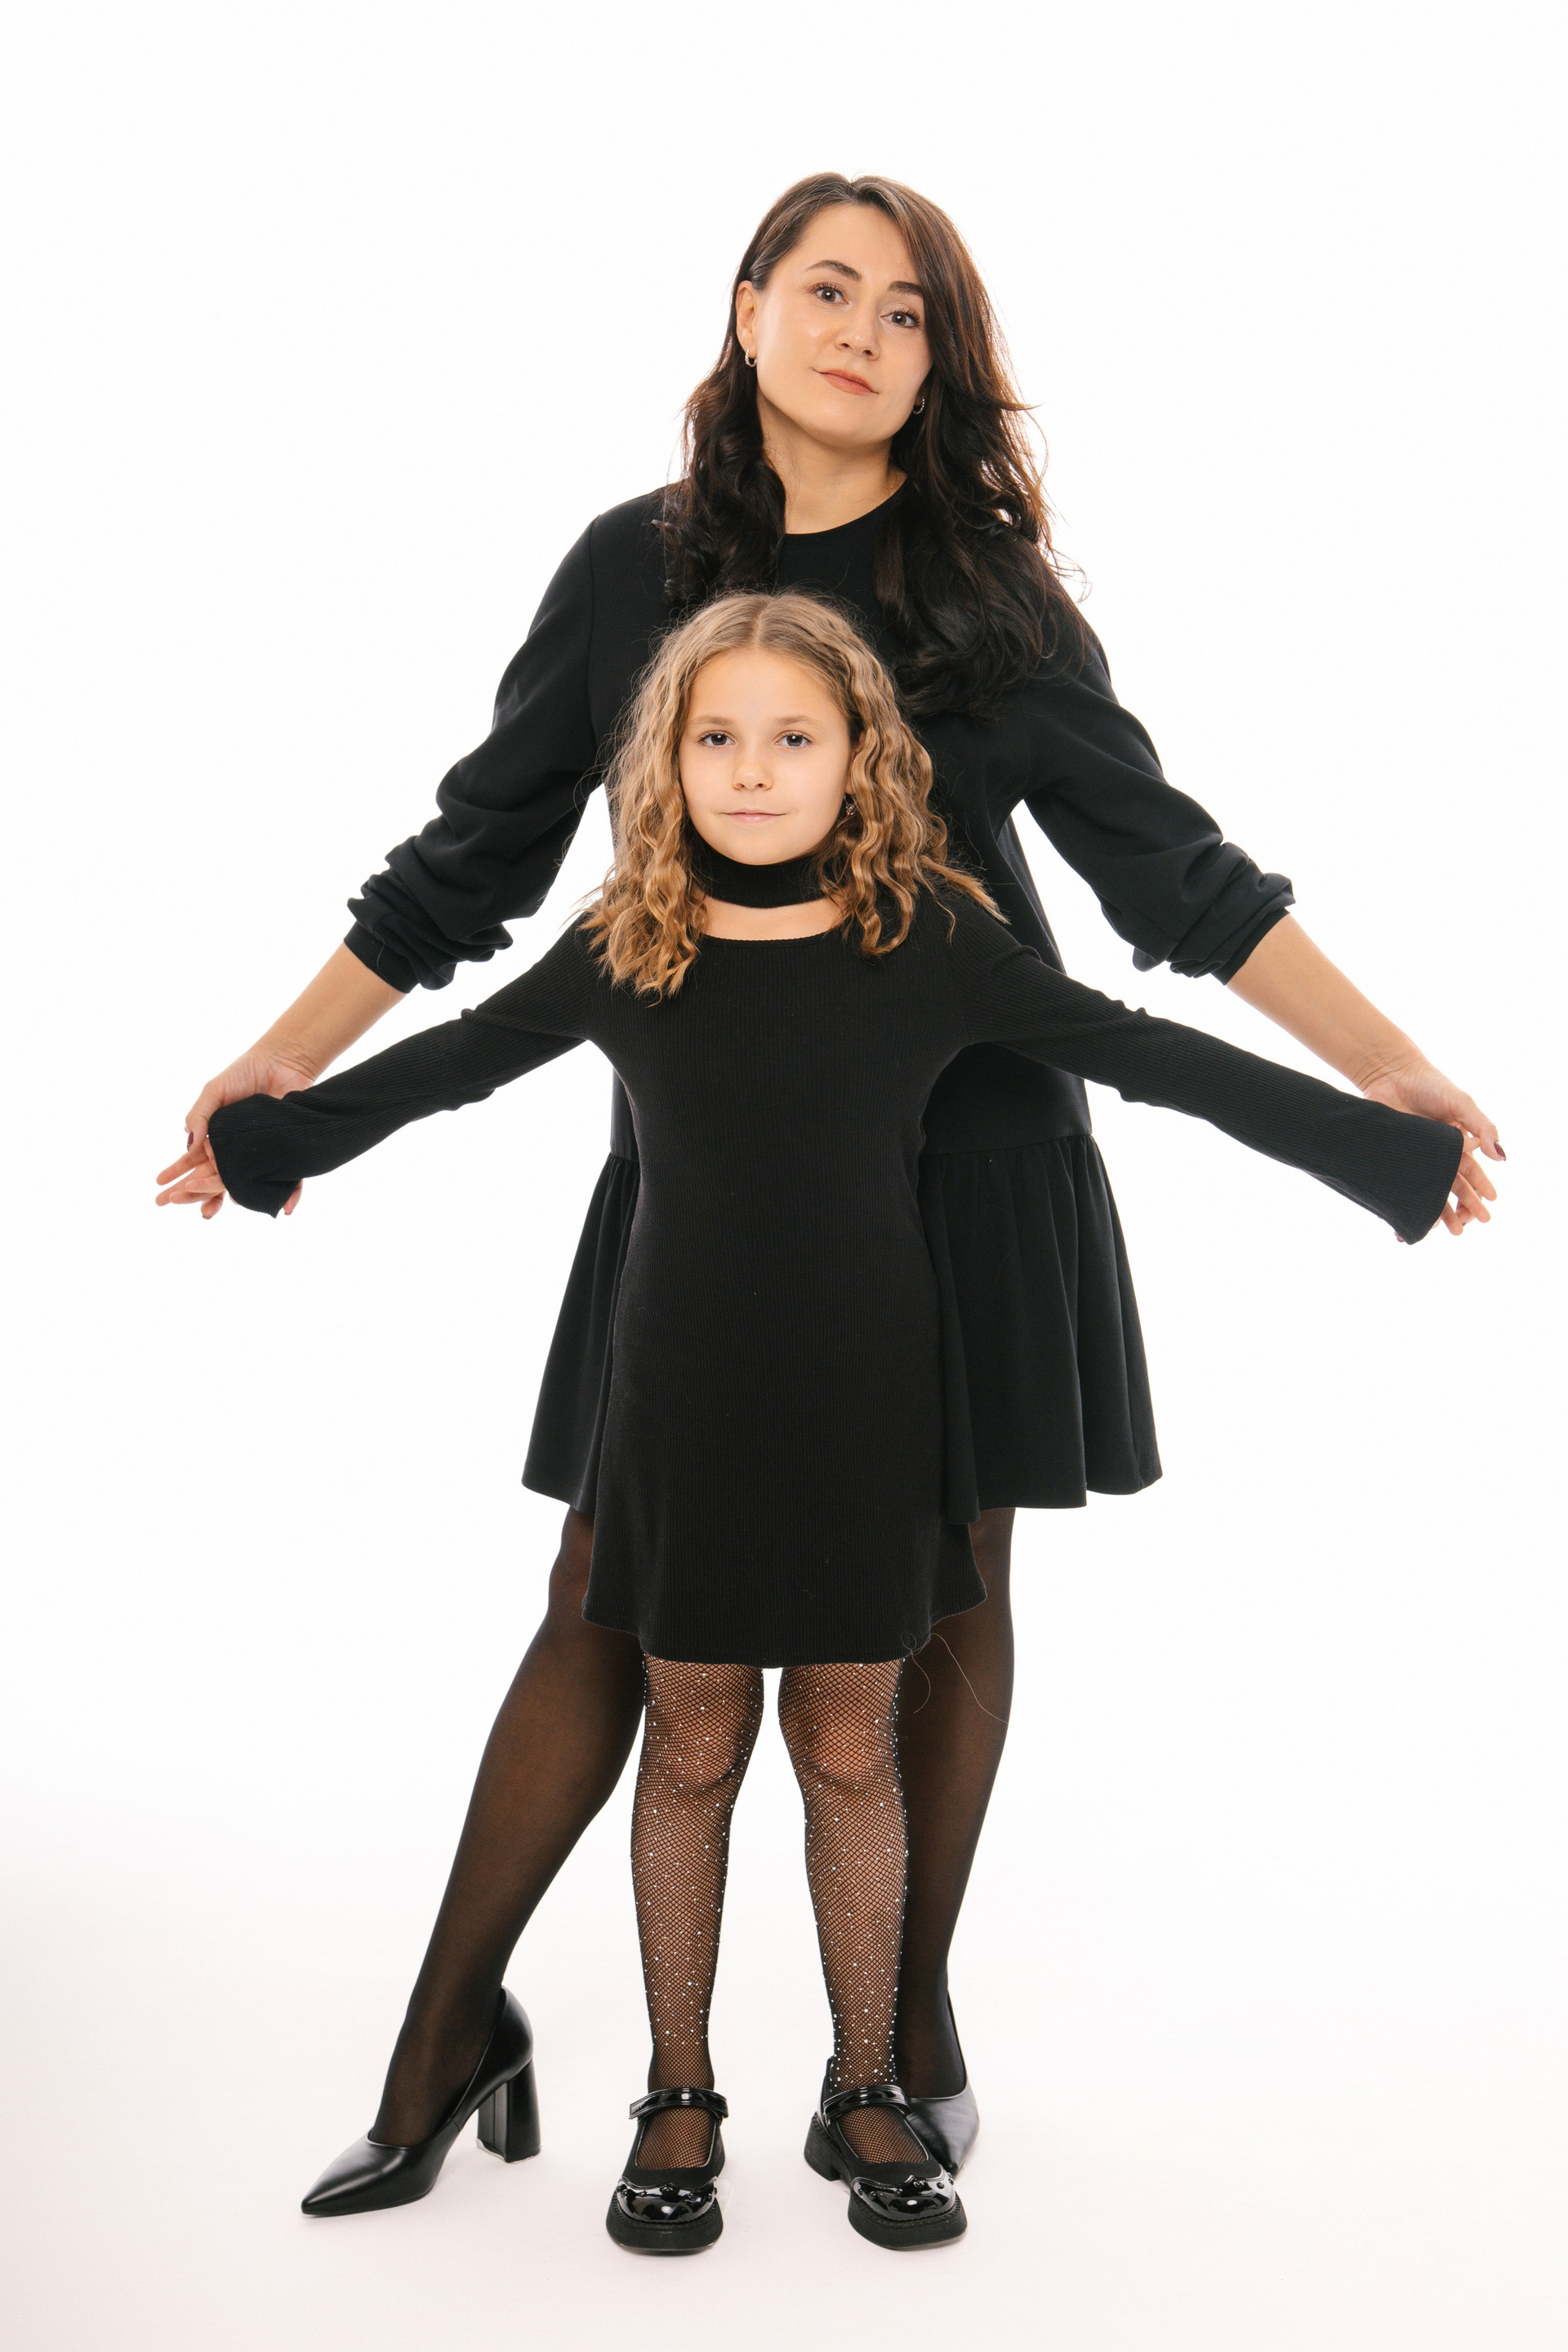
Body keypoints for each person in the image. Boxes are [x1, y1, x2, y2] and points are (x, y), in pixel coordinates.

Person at [155, 172, 1501, 2207]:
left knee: (943, 1594)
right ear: (750, 307)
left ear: (941, 362)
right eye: (829, 288)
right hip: (717, 1159)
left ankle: (897, 2039)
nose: (865, 332)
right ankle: (449, 2024)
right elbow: (472, 864)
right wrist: (292, 1061)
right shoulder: (629, 568)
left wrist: (1379, 1070)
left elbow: (1178, 877)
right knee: (610, 1588)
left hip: (982, 1151)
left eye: (910, 310)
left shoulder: (988, 591)